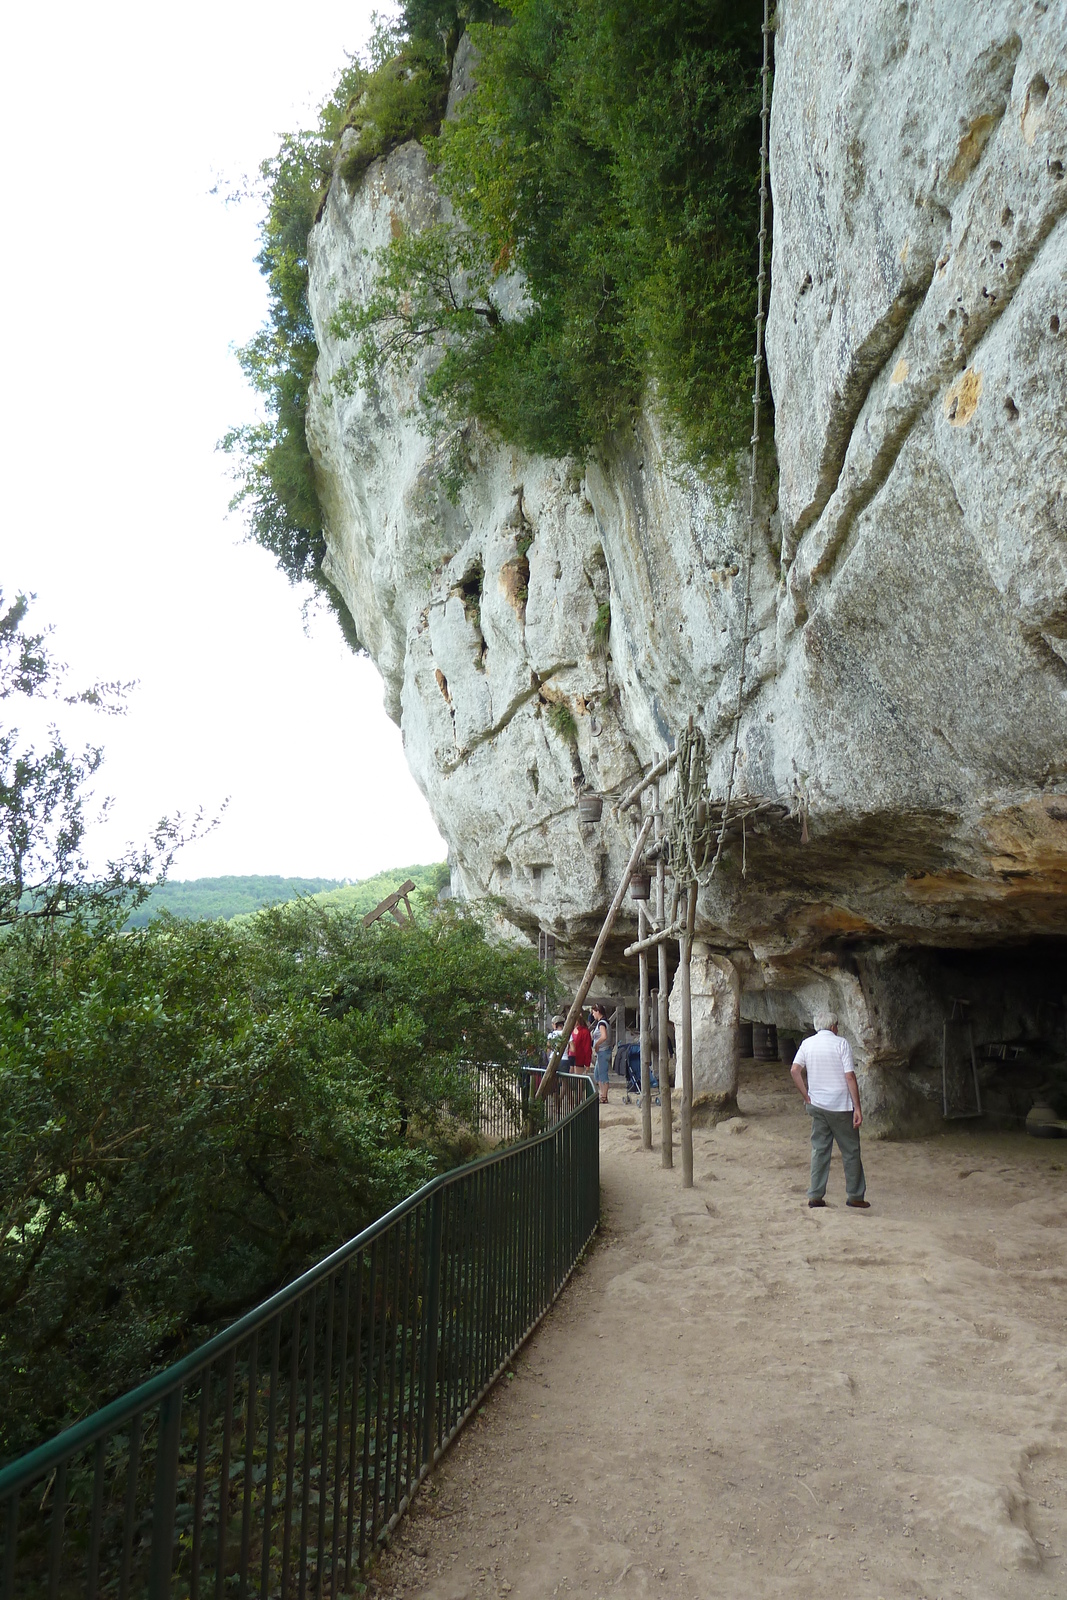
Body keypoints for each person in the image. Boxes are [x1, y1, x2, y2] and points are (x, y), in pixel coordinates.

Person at [790, 1011, 870, 1209]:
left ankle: (815, 1194)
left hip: (817, 1105)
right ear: (834, 1026)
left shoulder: (807, 1044)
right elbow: (850, 1076)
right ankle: (855, 1195)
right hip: (840, 1106)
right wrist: (857, 1107)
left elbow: (794, 1070)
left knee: (820, 1149)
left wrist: (806, 1095)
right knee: (850, 1150)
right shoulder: (841, 1043)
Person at [590, 1003, 611, 1105]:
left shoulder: (601, 1023)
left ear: (598, 1012)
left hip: (603, 1050)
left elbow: (604, 1036)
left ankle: (604, 1096)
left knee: (602, 1074)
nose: (593, 1014)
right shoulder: (603, 1022)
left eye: (593, 1012)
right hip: (602, 1052)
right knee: (597, 1073)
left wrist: (597, 1044)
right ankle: (602, 1094)